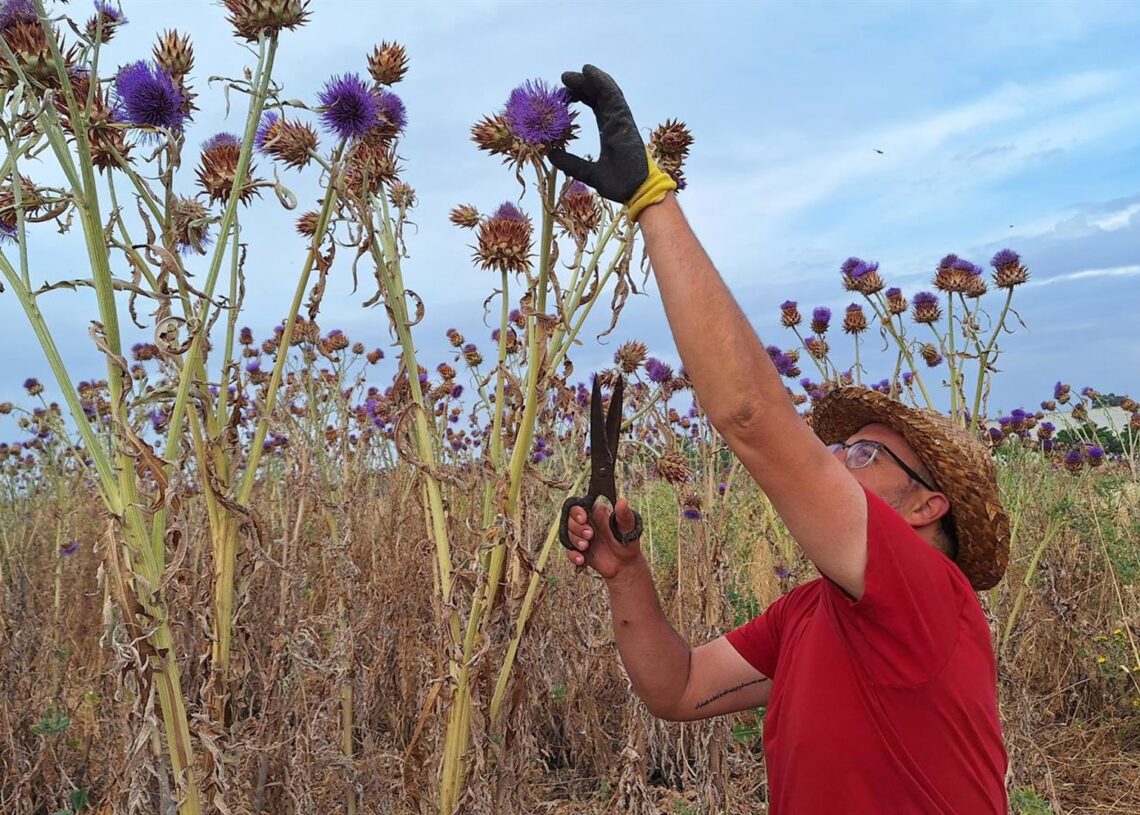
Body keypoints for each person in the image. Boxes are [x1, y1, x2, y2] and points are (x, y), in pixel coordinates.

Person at [553, 65, 1011, 814]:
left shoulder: (927, 597)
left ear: (929, 506)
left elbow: (752, 418)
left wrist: (649, 198)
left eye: (862, 453)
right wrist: (625, 572)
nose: (832, 459)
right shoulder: (810, 613)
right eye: (838, 447)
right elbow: (679, 686)